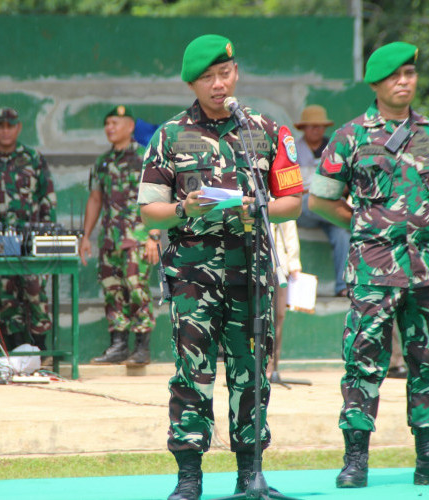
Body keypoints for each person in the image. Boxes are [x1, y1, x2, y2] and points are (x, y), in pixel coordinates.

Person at [138, 34, 304, 500]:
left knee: (251, 372)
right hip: (193, 275)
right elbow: (149, 211)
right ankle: (189, 476)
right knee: (193, 373)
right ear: (192, 83)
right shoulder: (169, 137)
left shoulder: (267, 131)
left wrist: (261, 208)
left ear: (237, 72)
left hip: (250, 271)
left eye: (224, 73)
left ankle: (250, 474)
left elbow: (293, 200)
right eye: (207, 78)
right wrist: (186, 208)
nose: (218, 84)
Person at [308, 42, 429, 488]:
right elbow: (320, 199)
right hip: (373, 270)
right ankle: (355, 460)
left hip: (427, 269)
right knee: (363, 361)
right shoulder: (351, 135)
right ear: (376, 84)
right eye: (394, 76)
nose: (404, 82)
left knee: (428, 361)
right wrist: (363, 224)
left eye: (410, 73)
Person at [79, 105, 160, 366]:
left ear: (130, 126)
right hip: (110, 239)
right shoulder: (103, 162)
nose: (109, 128)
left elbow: (157, 195)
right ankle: (118, 346)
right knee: (112, 289)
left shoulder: (145, 158)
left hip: (137, 237)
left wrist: (154, 235)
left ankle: (142, 348)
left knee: (136, 289)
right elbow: (95, 198)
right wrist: (86, 236)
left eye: (115, 122)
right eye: (107, 124)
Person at [0, 108, 57, 353]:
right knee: (5, 296)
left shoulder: (33, 159)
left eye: (10, 126)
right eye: (0, 126)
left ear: (18, 128)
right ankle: (16, 353)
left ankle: (41, 352)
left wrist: (48, 237)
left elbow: (47, 198)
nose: (5, 130)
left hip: (31, 240)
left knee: (35, 292)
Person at [294, 105, 350, 297]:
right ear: (303, 128)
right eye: (311, 126)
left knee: (342, 232)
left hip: (330, 208)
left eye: (319, 126)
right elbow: (291, 188)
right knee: (313, 200)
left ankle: (342, 286)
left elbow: (344, 184)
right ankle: (355, 220)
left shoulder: (334, 150)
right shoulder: (292, 150)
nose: (316, 130)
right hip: (303, 208)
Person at [266, 220, 301, 380]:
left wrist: (294, 263)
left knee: (278, 316)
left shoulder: (281, 198)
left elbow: (290, 234)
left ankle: (273, 366)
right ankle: (257, 364)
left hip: (280, 267)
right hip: (257, 265)